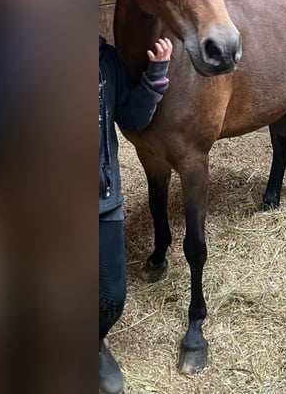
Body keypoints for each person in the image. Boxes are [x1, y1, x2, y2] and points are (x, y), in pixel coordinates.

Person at [99, 35, 172, 394]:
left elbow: (131, 116)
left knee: (112, 297)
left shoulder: (106, 61)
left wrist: (156, 73)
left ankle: (94, 343)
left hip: (102, 200)